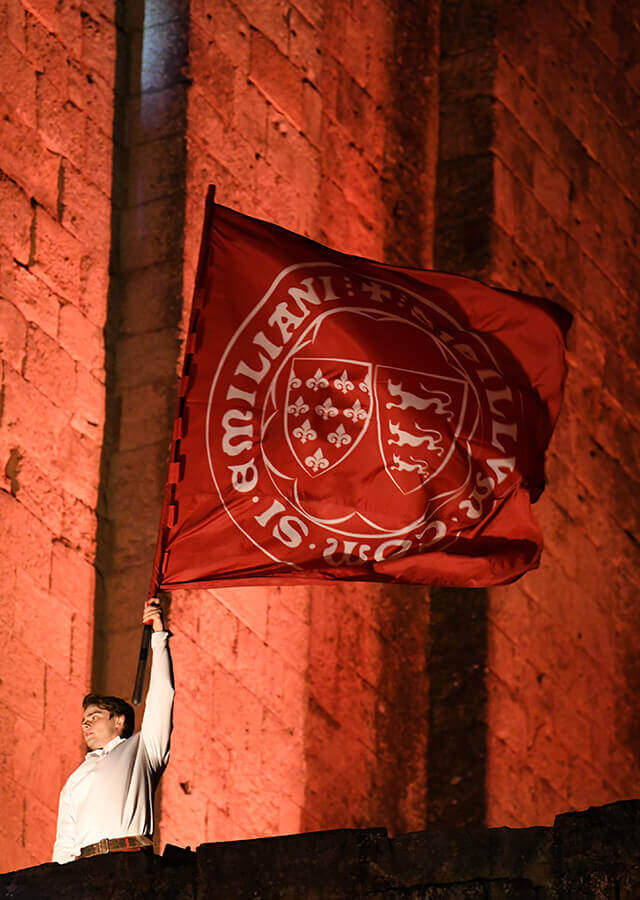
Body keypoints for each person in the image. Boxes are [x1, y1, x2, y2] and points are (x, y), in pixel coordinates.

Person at [52, 598, 174, 863]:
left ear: (118, 721)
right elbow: (64, 844)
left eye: (94, 717)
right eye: (84, 719)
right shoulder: (75, 779)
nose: (85, 724)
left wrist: (159, 637)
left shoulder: (143, 750)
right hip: (84, 872)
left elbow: (162, 697)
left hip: (130, 862)